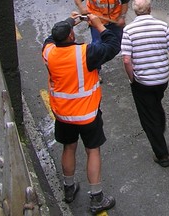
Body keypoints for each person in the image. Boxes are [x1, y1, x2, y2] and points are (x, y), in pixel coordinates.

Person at [42, 13, 120, 213]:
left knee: (68, 147)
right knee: (92, 151)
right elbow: (113, 45)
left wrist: (69, 21)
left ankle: (69, 188)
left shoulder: (49, 52)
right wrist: (97, 25)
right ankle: (97, 198)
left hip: (63, 114)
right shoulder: (86, 53)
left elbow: (49, 39)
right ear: (71, 36)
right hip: (87, 114)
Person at [121, 0, 169, 167]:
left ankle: (161, 155)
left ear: (134, 10)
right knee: (155, 103)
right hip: (162, 79)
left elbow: (126, 60)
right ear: (150, 8)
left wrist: (132, 79)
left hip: (143, 82)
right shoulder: (163, 26)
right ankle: (160, 125)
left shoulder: (129, 31)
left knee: (148, 117)